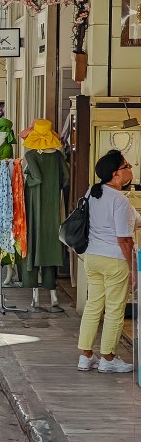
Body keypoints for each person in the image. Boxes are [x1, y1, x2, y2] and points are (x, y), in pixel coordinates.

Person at [77, 150, 139, 373]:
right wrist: (134, 269)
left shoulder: (93, 192)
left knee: (93, 306)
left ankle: (85, 356)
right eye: (127, 166)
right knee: (114, 309)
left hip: (92, 257)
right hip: (114, 260)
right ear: (116, 174)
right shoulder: (119, 200)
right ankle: (108, 359)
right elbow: (124, 239)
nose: (130, 168)